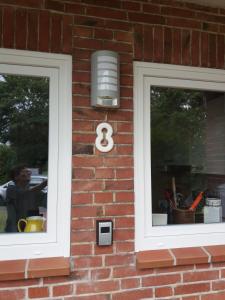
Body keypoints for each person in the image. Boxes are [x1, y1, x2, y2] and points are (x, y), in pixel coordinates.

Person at [5, 165, 47, 232]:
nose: (28, 173)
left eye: (28, 172)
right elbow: (27, 193)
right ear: (16, 177)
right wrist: (46, 182)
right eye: (24, 171)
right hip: (14, 230)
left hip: (32, 228)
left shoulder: (34, 192)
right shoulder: (11, 189)